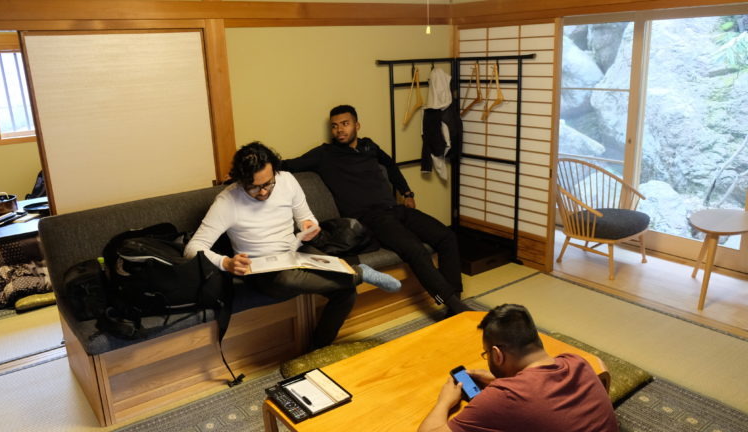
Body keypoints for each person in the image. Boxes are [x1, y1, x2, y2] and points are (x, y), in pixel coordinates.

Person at [184, 142, 401, 349]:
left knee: (346, 292)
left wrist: (309, 226)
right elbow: (193, 249)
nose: (263, 192)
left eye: (268, 183)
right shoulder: (227, 201)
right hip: (262, 268)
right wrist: (226, 263)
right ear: (240, 180)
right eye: (254, 187)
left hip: (296, 252)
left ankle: (317, 347)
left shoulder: (286, 180)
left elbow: (306, 217)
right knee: (286, 280)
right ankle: (359, 273)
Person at [282, 105, 470, 317]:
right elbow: (288, 165)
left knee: (447, 236)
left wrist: (407, 193)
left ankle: (455, 298)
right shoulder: (325, 154)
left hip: (395, 209)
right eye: (334, 126)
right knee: (414, 249)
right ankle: (455, 306)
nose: (339, 130)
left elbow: (389, 164)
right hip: (370, 218)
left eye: (345, 124)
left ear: (357, 125)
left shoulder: (368, 146)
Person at [418, 304, 619, 432]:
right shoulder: (576, 361)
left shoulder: (504, 397)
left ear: (497, 354)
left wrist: (445, 402)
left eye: (487, 354)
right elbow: (540, 393)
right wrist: (498, 380)